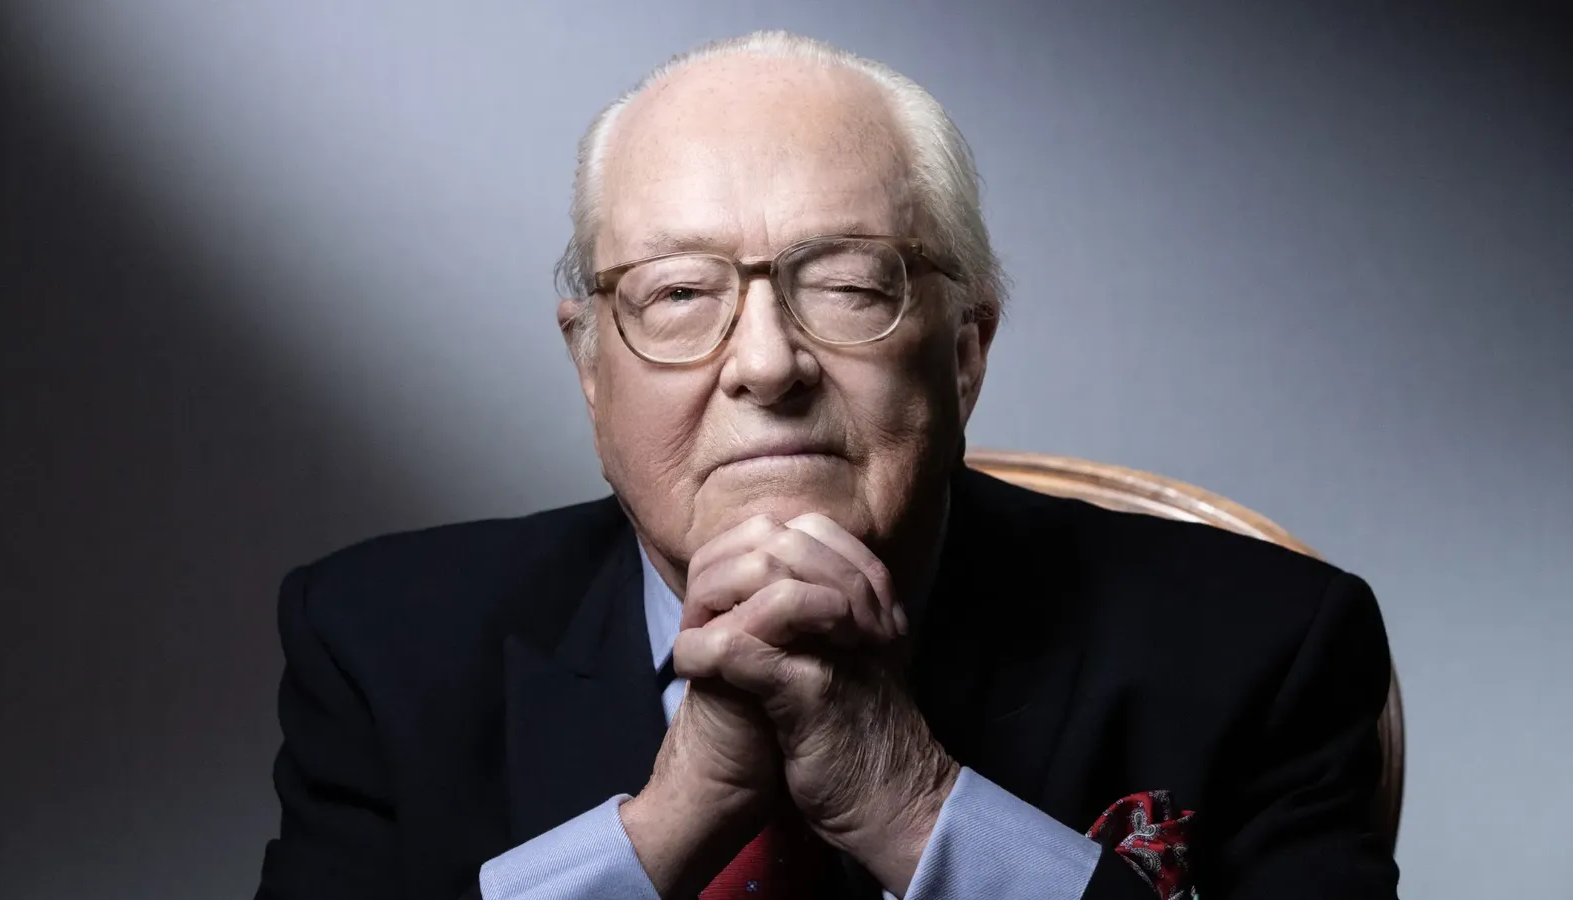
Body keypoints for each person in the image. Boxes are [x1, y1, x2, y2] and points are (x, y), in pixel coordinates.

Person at [254, 31, 1399, 900]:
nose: (766, 364)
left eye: (849, 285)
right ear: (590, 365)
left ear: (965, 350)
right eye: (678, 294)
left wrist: (912, 803)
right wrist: (665, 826)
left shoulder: (1265, 648)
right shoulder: (379, 646)